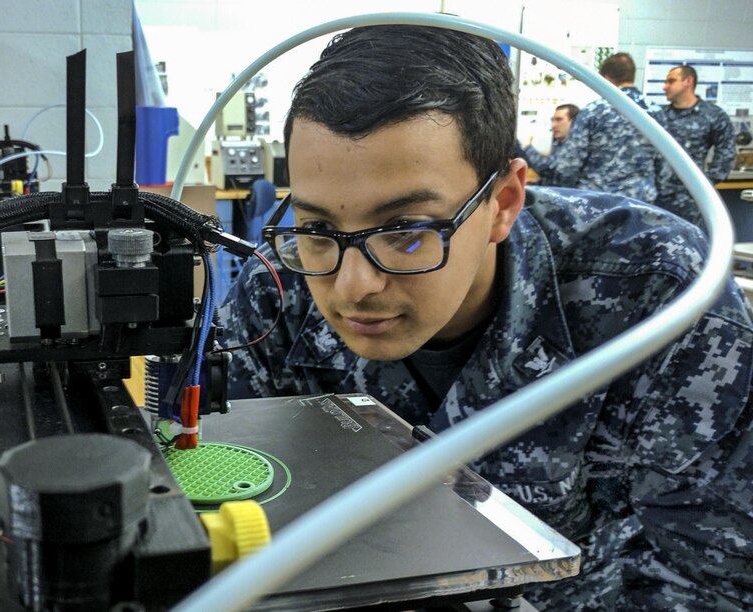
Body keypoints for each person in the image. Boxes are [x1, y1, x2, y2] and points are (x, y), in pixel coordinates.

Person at [220, 25, 753, 610]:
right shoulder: (280, 283)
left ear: (502, 203)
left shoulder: (659, 300)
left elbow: (708, 579)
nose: (352, 286)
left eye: (406, 230)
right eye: (319, 228)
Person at [551, 52, 663, 202]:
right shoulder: (655, 112)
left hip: (598, 201)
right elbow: (664, 165)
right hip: (641, 200)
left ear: (606, 77)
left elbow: (569, 165)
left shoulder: (593, 112)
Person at [657, 65, 737, 227]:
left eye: (671, 81)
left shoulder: (712, 115)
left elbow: (726, 151)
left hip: (691, 200)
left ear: (688, 81)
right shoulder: (658, 115)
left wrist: (707, 183)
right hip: (655, 197)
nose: (665, 86)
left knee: (688, 246)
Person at [523, 103, 578, 185]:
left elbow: (549, 168)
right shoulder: (558, 144)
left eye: (559, 120)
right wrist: (538, 182)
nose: (553, 125)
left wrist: (527, 148)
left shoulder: (577, 146)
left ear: (573, 122)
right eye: (553, 120)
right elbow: (554, 178)